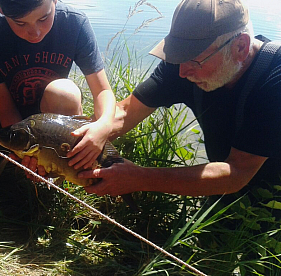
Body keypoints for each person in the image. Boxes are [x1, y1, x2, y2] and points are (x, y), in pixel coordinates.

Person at [80, 0, 281, 217]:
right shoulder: (183, 64)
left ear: (240, 47)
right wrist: (71, 142)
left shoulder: (274, 79)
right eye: (178, 57)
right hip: (224, 193)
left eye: (194, 61)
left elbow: (236, 172)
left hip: (273, 201)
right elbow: (125, 112)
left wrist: (138, 178)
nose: (182, 72)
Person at [0, 0, 116, 192]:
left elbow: (103, 91)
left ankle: (58, 173)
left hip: (55, 120)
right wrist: (23, 157)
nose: (35, 32)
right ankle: (13, 161)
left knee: (64, 91)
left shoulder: (74, 23)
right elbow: (5, 108)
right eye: (20, 23)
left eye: (44, 18)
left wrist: (104, 126)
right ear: (0, 8)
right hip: (10, 122)